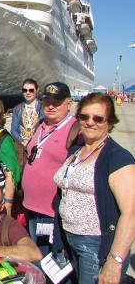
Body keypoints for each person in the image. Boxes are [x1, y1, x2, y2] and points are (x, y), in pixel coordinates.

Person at [52, 93, 135, 284]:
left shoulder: (118, 158)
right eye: (84, 116)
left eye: (98, 118)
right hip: (69, 238)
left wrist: (115, 261)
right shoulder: (76, 151)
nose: (90, 122)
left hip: (95, 245)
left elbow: (130, 213)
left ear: (110, 123)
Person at [22, 82, 77, 258]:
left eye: (57, 102)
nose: (51, 106)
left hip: (52, 212)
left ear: (69, 104)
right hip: (32, 207)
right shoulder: (41, 124)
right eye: (47, 102)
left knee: (51, 260)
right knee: (37, 255)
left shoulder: (74, 130)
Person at [11, 79, 44, 146]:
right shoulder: (17, 108)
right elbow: (14, 130)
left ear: (37, 90)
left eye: (31, 90)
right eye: (25, 90)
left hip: (38, 144)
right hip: (22, 146)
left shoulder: (43, 107)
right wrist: (22, 142)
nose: (28, 93)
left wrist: (33, 142)